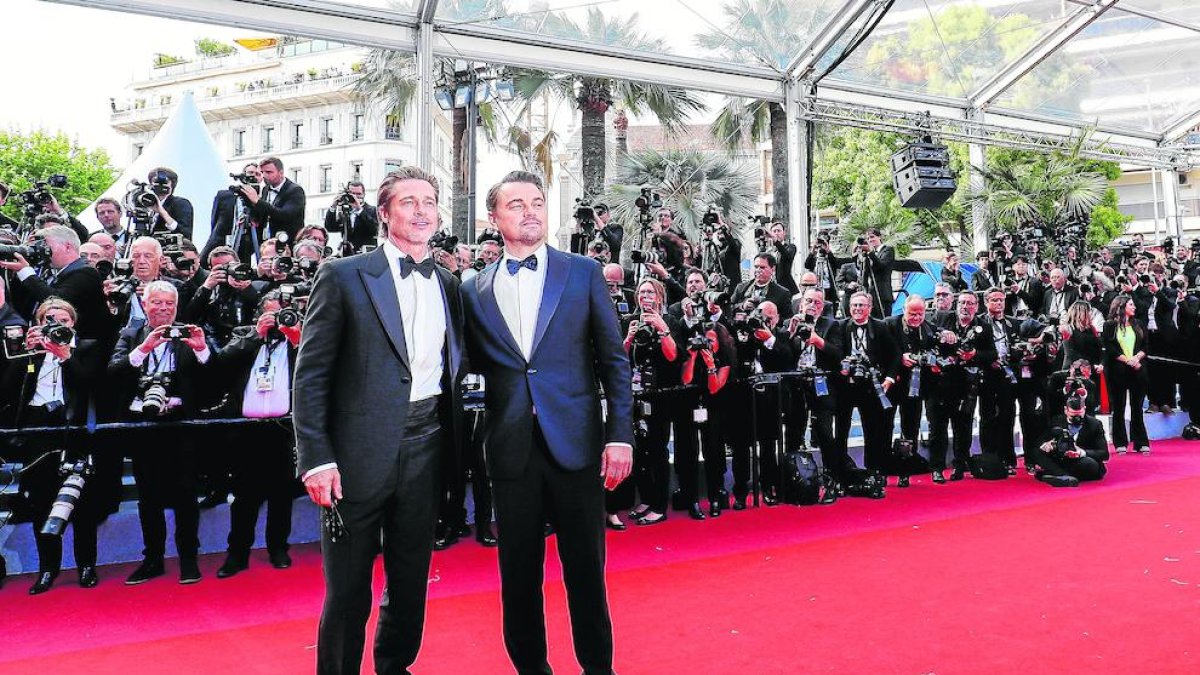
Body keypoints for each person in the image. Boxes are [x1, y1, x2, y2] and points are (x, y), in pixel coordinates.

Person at [293, 166, 465, 675]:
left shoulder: (451, 284)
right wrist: (316, 459)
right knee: (347, 589)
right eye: (408, 201)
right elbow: (312, 375)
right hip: (355, 456)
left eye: (429, 201)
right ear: (385, 213)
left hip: (428, 446)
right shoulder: (344, 275)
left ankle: (395, 666)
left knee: (410, 579)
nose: (420, 210)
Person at [461, 170, 633, 675]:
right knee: (518, 576)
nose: (531, 210)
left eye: (537, 201)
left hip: (576, 444)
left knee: (586, 573)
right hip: (511, 448)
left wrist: (619, 435)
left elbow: (613, 362)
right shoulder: (473, 290)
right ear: (494, 218)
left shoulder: (582, 272)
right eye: (516, 204)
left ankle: (598, 669)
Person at [0, 299, 113, 593]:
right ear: (39, 322)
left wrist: (64, 355)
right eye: (50, 319)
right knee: (41, 504)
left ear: (72, 323)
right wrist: (23, 351)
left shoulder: (87, 347)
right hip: (38, 433)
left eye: (63, 320)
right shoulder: (31, 351)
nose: (57, 325)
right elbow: (8, 390)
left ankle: (86, 566)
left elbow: (89, 383)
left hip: (74, 430)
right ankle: (47, 569)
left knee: (81, 504)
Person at [108, 281, 214, 585]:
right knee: (149, 499)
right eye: (157, 303)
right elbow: (113, 373)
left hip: (182, 428)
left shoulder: (190, 333)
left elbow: (215, 378)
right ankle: (152, 559)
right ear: (145, 303)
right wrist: (145, 349)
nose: (164, 309)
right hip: (143, 428)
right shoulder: (130, 335)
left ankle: (189, 560)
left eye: (169, 303)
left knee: (185, 497)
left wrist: (202, 349)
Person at [213, 292, 303, 577]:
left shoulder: (297, 340)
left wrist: (295, 335)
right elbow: (221, 363)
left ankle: (278, 548)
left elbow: (316, 364)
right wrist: (256, 334)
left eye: (282, 314)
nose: (277, 320)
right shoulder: (245, 335)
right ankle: (237, 554)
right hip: (246, 432)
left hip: (283, 430)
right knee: (243, 497)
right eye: (271, 314)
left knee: (282, 495)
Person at [618, 278, 680, 528]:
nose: (645, 296)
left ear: (660, 296)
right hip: (635, 394)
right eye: (641, 292)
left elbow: (673, 356)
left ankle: (658, 506)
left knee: (658, 450)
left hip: (660, 395)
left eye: (650, 292)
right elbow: (619, 360)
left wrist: (662, 328)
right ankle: (645, 498)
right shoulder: (629, 321)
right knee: (639, 452)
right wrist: (629, 337)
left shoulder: (669, 321)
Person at [0, 225, 114, 341]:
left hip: (84, 348)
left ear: (67, 246)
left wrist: (25, 271)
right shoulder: (51, 271)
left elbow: (55, 300)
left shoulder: (86, 272)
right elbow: (20, 302)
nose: (43, 251)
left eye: (47, 247)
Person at [1102, 294, 1150, 455]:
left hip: (1138, 369)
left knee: (1137, 407)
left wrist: (1136, 358)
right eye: (1131, 304)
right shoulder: (1109, 325)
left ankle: (1140, 441)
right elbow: (1110, 348)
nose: (1134, 307)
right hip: (1118, 370)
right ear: (1121, 307)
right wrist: (1127, 360)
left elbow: (1146, 346)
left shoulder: (1139, 324)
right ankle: (1120, 442)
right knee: (1119, 406)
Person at [1028, 397, 1110, 487]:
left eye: (1080, 415)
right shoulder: (1056, 421)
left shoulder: (1095, 424)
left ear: (1084, 409)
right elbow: (1041, 441)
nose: (1077, 419)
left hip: (1080, 461)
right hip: (1060, 458)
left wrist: (1081, 452)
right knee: (1035, 452)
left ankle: (1055, 474)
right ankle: (1064, 477)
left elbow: (1104, 454)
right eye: (1073, 416)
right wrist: (1047, 445)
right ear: (1065, 410)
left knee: (1090, 464)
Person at [246, 156, 307, 243]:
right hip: (266, 242)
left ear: (281, 172)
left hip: (286, 242)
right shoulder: (265, 189)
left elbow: (285, 215)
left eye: (269, 172)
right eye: (262, 172)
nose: (264, 176)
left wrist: (258, 201)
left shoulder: (295, 190)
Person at [324, 180, 379, 254]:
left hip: (366, 253)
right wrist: (333, 206)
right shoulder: (345, 210)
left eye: (359, 194)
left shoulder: (373, 210)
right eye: (352, 194)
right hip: (348, 253)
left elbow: (375, 229)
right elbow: (330, 227)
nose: (355, 197)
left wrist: (359, 210)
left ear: (364, 195)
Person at [144, 167, 194, 239]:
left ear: (172, 185)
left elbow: (185, 234)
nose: (160, 185)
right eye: (156, 182)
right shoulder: (148, 205)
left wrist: (162, 212)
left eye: (165, 183)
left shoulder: (181, 203)